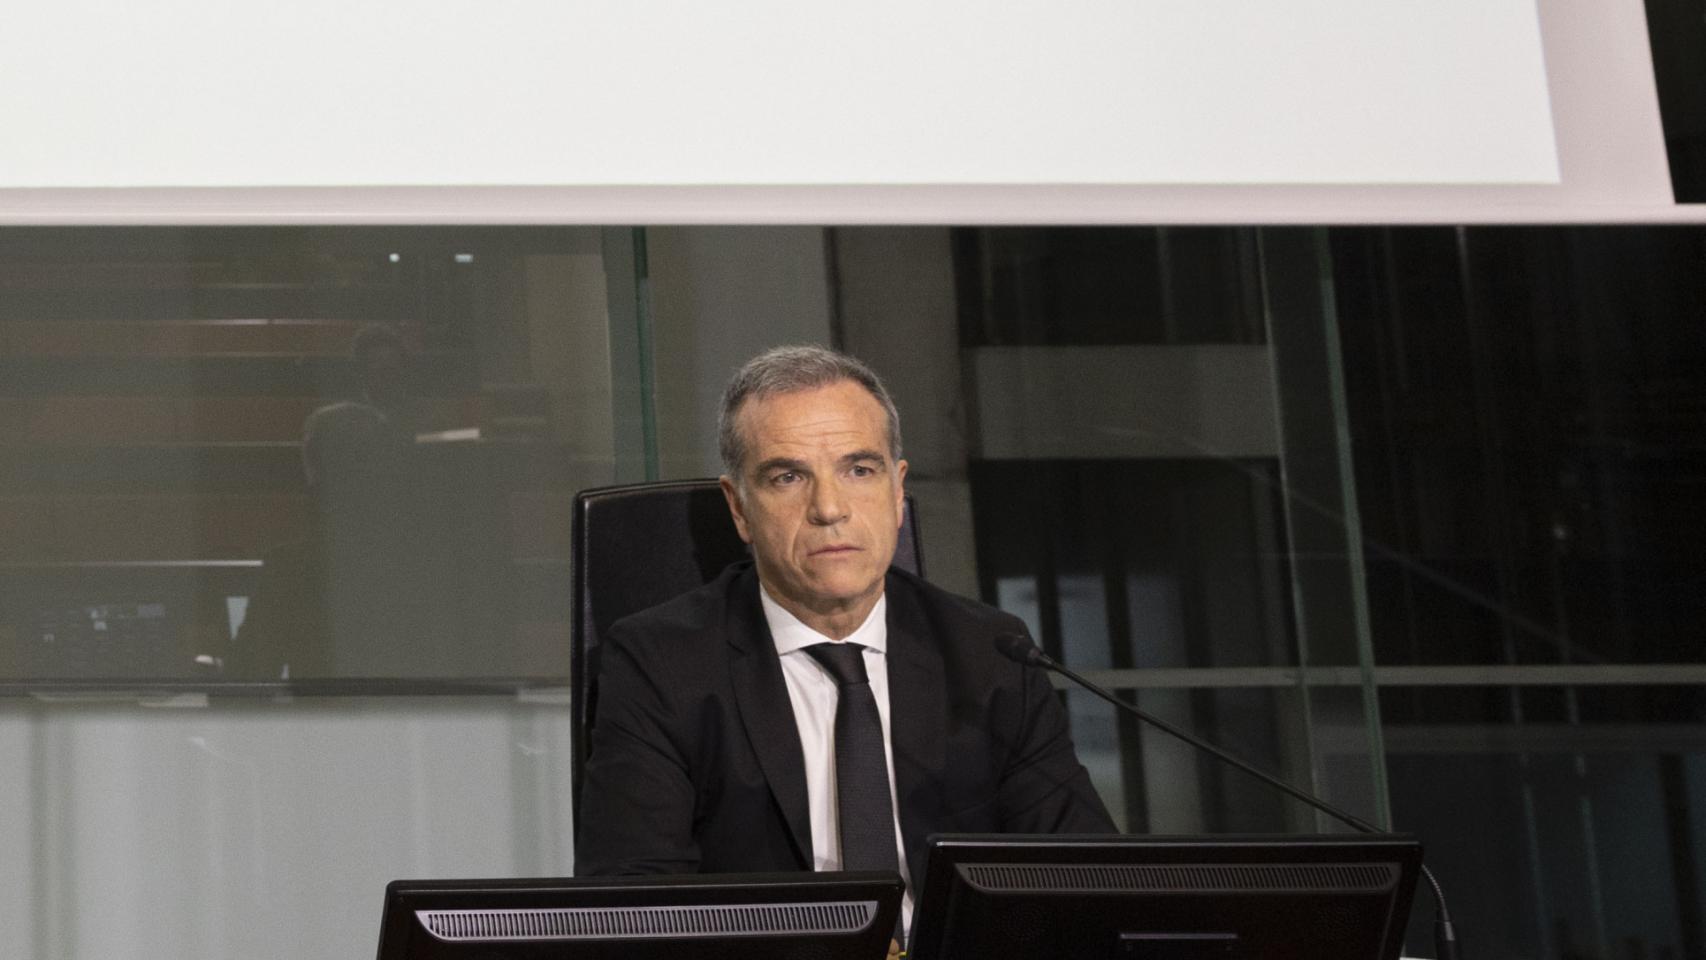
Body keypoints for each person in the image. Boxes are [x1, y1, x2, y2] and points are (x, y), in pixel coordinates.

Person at [575, 345, 1115, 948]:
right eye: (787, 477)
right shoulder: (660, 665)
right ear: (739, 508)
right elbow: (635, 907)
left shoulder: (991, 654)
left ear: (897, 491)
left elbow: (1081, 880)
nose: (829, 509)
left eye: (859, 470)